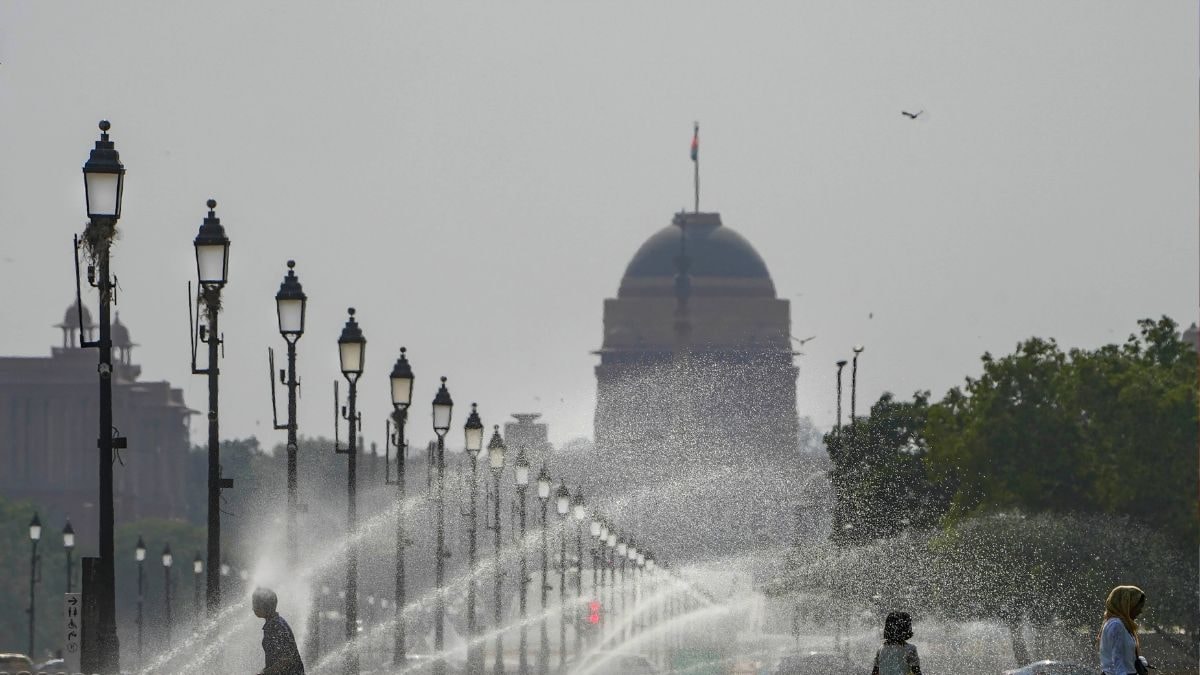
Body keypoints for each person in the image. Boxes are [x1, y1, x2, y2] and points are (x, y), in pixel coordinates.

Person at [252, 586, 305, 675]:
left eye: (255, 604)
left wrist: (265, 673)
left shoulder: (276, 626)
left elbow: (287, 659)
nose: (253, 608)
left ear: (264, 606)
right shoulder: (275, 623)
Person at [1099, 585, 1150, 675]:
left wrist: (1140, 661)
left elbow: (1123, 655)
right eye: (1138, 606)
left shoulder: (1122, 625)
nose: (1140, 611)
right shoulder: (1116, 625)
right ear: (1127, 605)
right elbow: (1117, 659)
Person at [872, 611, 923, 675]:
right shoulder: (910, 649)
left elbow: (875, 672)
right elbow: (916, 672)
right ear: (906, 628)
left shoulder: (881, 649)